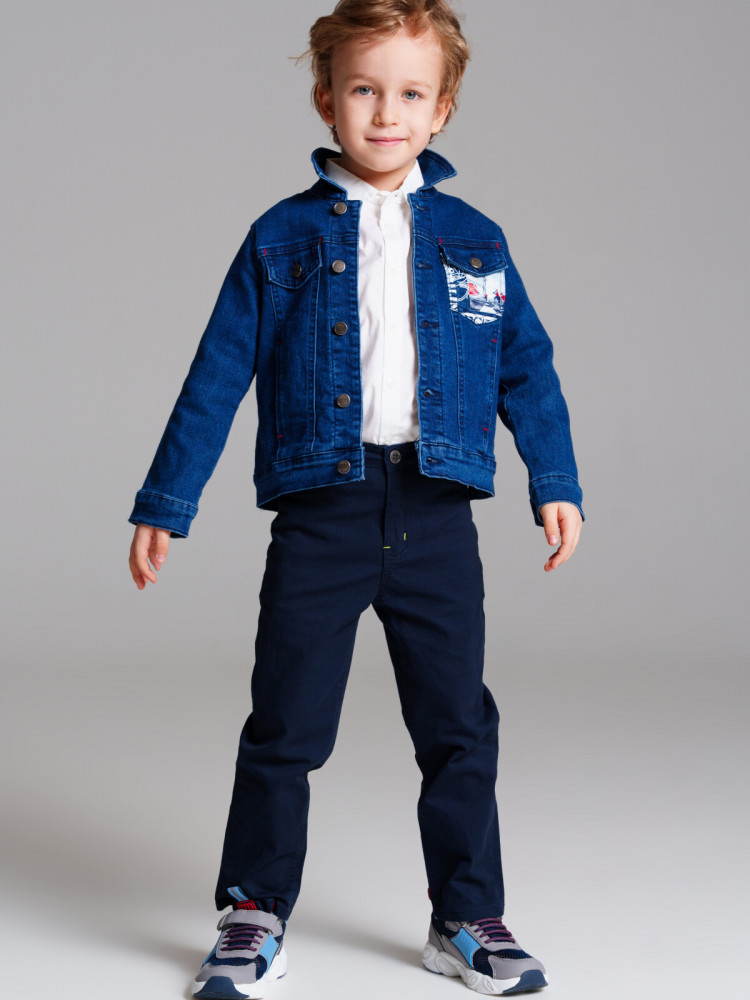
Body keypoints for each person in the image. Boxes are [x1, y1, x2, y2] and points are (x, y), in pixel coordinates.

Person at [128, 1, 584, 995]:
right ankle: (253, 911)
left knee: (458, 724)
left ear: (443, 109)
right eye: (365, 89)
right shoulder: (281, 236)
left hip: (435, 511)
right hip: (322, 515)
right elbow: (217, 372)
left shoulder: (475, 237)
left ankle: (466, 915)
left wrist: (554, 482)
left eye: (411, 93)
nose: (386, 113)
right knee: (286, 722)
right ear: (325, 97)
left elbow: (526, 366)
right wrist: (167, 499)